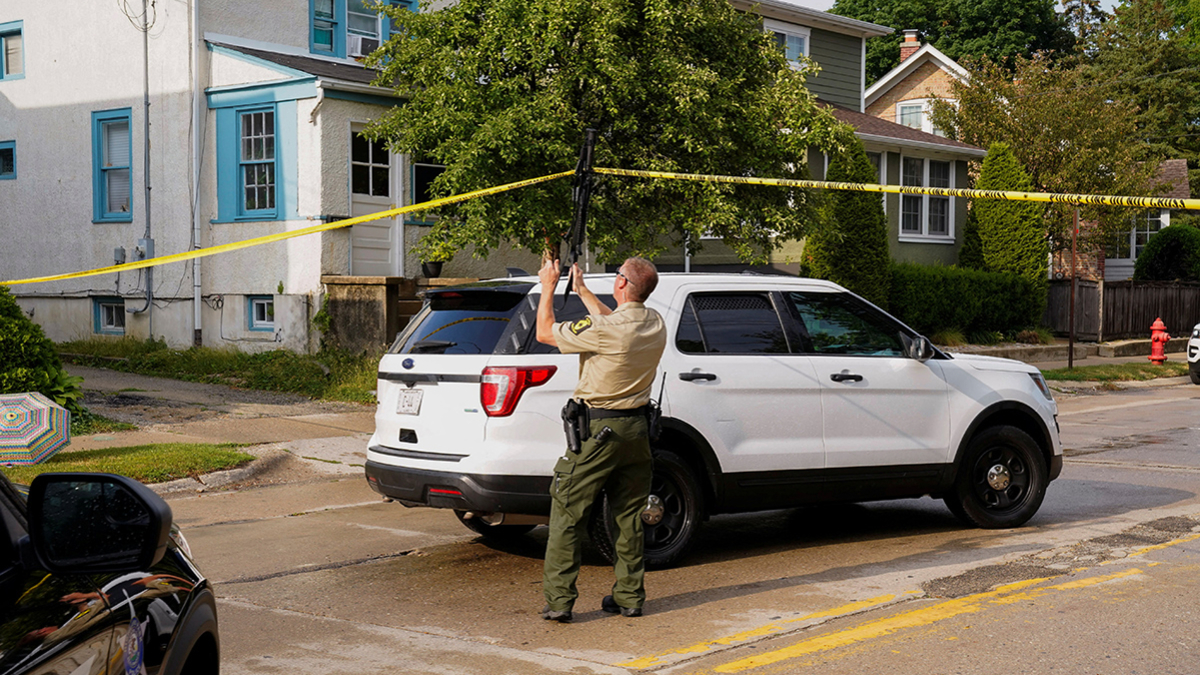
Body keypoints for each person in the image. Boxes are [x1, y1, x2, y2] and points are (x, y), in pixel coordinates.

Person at [535, 256, 667, 623]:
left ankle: (560, 601)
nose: (615, 279)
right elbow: (615, 320)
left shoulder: (606, 329)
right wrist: (582, 290)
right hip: (637, 432)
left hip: (599, 434)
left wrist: (549, 285)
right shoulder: (655, 323)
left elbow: (545, 332)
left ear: (623, 284)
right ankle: (629, 596)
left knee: (567, 512)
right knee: (629, 517)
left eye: (617, 275)